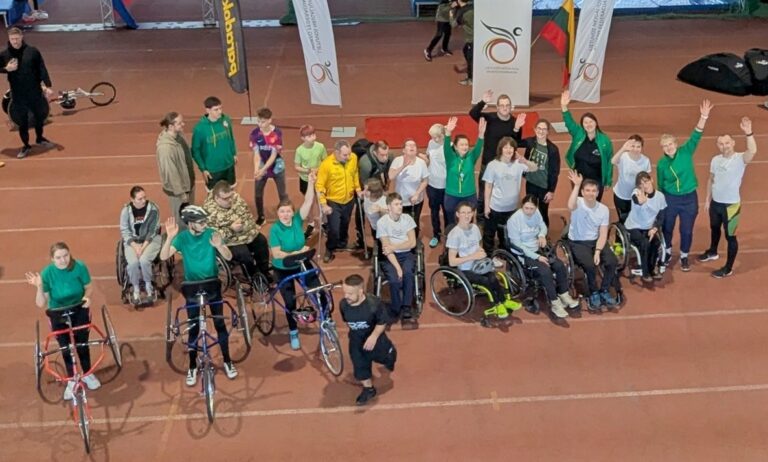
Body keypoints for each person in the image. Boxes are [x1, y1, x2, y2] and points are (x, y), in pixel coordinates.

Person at [160, 206, 237, 386]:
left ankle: (227, 361)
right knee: (194, 327)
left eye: (205, 221)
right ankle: (192, 366)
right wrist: (169, 237)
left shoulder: (212, 234)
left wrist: (219, 246)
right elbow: (164, 257)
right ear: (190, 224)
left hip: (212, 283)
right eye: (201, 222)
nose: (205, 224)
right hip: (191, 286)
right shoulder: (182, 238)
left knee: (219, 323)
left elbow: (228, 256)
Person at [25, 242, 101, 400]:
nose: (63, 260)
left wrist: (87, 297)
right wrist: (39, 287)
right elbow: (41, 303)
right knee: (66, 348)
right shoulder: (47, 274)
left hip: (79, 307)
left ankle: (87, 373)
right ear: (52, 259)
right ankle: (72, 379)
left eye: (66, 255)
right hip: (58, 312)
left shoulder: (79, 266)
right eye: (58, 257)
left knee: (82, 343)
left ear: (69, 254)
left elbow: (89, 287)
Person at [657, 99, 713, 272]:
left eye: (670, 144)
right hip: (670, 199)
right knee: (667, 228)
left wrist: (704, 117)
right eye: (665, 146)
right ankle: (666, 253)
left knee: (686, 230)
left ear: (676, 143)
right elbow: (660, 185)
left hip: (689, 198)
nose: (668, 148)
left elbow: (696, 134)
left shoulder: (686, 151)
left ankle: (683, 255)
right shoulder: (661, 164)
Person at [698, 116, 757, 278]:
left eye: (727, 143)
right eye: (721, 143)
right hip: (716, 204)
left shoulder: (740, 159)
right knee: (714, 228)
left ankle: (728, 268)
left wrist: (748, 133)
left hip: (731, 206)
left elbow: (752, 151)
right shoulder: (715, 160)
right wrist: (707, 199)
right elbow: (711, 179)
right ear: (718, 145)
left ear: (733, 143)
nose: (724, 146)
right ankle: (713, 251)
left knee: (730, 236)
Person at [269, 172, 322, 350]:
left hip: (301, 263)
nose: (285, 214)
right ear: (278, 213)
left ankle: (327, 319)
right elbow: (276, 254)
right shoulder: (274, 230)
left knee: (318, 290)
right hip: (283, 268)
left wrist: (311, 183)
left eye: (288, 211)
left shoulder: (298, 220)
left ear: (293, 213)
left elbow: (308, 201)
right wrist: (297, 252)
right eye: (282, 211)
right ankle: (293, 331)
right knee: (290, 302)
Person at [506, 196, 579, 318]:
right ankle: (554, 302)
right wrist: (536, 257)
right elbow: (517, 244)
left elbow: (543, 226)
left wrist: (541, 235)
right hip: (523, 253)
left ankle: (564, 294)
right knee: (545, 271)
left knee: (559, 265)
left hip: (538, 249)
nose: (529, 211)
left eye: (532, 209)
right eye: (526, 208)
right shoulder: (513, 220)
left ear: (536, 208)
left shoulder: (536, 213)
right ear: (522, 206)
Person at [446, 201, 519, 318]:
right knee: (486, 281)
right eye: (463, 213)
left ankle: (504, 301)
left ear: (473, 214)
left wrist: (480, 251)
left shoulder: (475, 228)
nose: (466, 216)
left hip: (479, 265)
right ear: (457, 214)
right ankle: (498, 304)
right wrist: (473, 256)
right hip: (465, 269)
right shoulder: (455, 235)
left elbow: (479, 244)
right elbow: (452, 261)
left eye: (469, 212)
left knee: (493, 277)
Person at [340, 274, 397, 406]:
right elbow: (346, 321)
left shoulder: (374, 304)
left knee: (385, 358)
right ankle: (369, 389)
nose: (346, 296)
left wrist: (373, 336)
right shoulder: (343, 304)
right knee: (360, 366)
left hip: (375, 339)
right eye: (345, 292)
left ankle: (390, 354)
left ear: (360, 292)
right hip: (356, 341)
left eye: (350, 293)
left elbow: (382, 322)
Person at [566, 171, 619, 310]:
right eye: (587, 190)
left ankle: (604, 289)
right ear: (582, 192)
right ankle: (593, 292)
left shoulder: (603, 210)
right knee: (589, 266)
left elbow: (603, 233)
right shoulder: (577, 202)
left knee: (612, 261)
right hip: (578, 242)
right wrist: (576, 185)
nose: (590, 193)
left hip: (596, 241)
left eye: (593, 191)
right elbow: (570, 206)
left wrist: (598, 251)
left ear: (597, 193)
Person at [470, 90, 525, 222]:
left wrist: (516, 129)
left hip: (505, 166)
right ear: (497, 107)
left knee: (503, 193)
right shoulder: (490, 118)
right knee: (483, 194)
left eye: (507, 105)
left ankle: (501, 219)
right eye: (502, 105)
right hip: (488, 164)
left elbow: (515, 143)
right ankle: (481, 219)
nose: (505, 108)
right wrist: (483, 101)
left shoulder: (515, 122)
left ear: (511, 107)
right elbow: (473, 114)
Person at [0, 27, 54, 159]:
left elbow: (42, 68)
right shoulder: (4, 55)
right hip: (18, 94)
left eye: (17, 38)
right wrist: (6, 69)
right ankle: (26, 145)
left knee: (39, 117)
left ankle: (40, 138)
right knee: (22, 122)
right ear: (9, 39)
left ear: (21, 37)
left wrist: (47, 86)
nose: (15, 41)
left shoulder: (32, 52)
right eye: (12, 39)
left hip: (35, 91)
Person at [203, 180, 271, 282]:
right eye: (225, 198)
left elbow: (248, 216)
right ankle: (253, 277)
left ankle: (264, 271)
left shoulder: (237, 198)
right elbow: (214, 236)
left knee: (261, 241)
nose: (230, 200)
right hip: (230, 242)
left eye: (230, 196)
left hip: (246, 234)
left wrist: (243, 225)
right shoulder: (208, 212)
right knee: (244, 254)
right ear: (216, 198)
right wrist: (231, 229)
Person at [481, 137, 537, 254]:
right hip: (495, 207)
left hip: (512, 208)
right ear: (500, 149)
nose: (508, 150)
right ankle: (489, 254)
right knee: (489, 233)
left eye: (511, 147)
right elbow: (488, 186)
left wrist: (524, 161)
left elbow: (534, 168)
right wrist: (486, 206)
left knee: (506, 233)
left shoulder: (518, 163)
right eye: (505, 147)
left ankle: (504, 253)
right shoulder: (493, 165)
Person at [560, 90, 613, 202]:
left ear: (596, 123)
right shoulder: (578, 133)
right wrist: (564, 106)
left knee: (595, 203)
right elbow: (569, 123)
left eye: (591, 122)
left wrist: (608, 181)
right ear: (582, 125)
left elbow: (609, 161)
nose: (589, 124)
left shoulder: (605, 140)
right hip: (579, 179)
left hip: (597, 179)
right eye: (585, 122)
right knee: (579, 203)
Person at [316, 140, 363, 263]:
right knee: (334, 228)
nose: (348, 157)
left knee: (345, 223)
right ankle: (330, 247)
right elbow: (320, 186)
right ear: (336, 152)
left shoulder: (353, 158)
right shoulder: (326, 165)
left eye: (349, 154)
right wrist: (323, 204)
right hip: (333, 201)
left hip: (349, 199)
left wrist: (358, 189)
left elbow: (355, 173)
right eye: (345, 155)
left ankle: (342, 243)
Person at [376, 193, 418, 321]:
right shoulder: (382, 222)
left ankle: (406, 306)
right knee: (394, 280)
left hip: (406, 254)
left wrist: (394, 246)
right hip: (390, 258)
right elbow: (386, 249)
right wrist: (398, 268)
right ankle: (395, 307)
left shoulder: (408, 219)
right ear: (389, 207)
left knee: (408, 274)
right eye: (396, 204)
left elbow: (412, 243)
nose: (400, 206)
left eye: (400, 204)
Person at [119, 186, 162, 303]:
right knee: (133, 263)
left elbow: (153, 230)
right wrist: (134, 245)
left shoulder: (153, 209)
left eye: (144, 197)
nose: (143, 201)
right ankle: (136, 288)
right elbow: (125, 231)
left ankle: (148, 285)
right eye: (140, 199)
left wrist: (142, 247)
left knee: (144, 260)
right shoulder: (126, 211)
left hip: (151, 240)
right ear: (132, 200)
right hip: (133, 241)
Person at [624, 172, 667, 283]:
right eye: (641, 184)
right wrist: (640, 201)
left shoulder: (660, 197)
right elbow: (635, 199)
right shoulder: (637, 192)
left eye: (646, 182)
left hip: (648, 228)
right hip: (633, 227)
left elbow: (661, 216)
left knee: (656, 243)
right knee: (645, 243)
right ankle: (645, 272)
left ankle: (652, 269)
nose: (645, 185)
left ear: (651, 180)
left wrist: (654, 228)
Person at [443, 116, 486, 227]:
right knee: (452, 223)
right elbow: (446, 146)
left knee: (468, 222)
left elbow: (478, 147)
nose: (465, 147)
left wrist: (481, 134)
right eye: (461, 144)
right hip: (452, 195)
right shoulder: (450, 158)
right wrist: (448, 133)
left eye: (466, 144)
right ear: (455, 147)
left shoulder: (471, 157)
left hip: (469, 195)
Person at [250, 106, 289, 226]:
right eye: (258, 121)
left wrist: (263, 169)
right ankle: (261, 216)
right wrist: (257, 170)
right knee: (257, 193)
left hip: (276, 165)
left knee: (282, 194)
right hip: (262, 163)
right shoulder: (255, 134)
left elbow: (273, 155)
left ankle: (286, 216)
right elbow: (256, 154)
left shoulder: (277, 133)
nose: (260, 124)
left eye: (263, 122)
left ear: (269, 120)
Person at [156, 111, 195, 229]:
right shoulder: (166, 149)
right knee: (181, 220)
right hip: (179, 191)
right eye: (179, 123)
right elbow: (171, 173)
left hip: (188, 184)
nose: (183, 124)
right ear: (170, 126)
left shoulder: (179, 136)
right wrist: (181, 193)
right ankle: (180, 238)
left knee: (190, 216)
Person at [191, 96, 237, 191]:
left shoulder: (226, 120)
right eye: (216, 109)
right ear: (208, 110)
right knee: (213, 195)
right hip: (212, 169)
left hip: (228, 165)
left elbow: (231, 137)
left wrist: (234, 153)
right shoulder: (200, 129)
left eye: (220, 108)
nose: (220, 111)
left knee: (230, 192)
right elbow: (195, 151)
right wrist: (203, 168)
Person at [521, 119, 560, 227]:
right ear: (535, 129)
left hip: (544, 186)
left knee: (543, 212)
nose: (541, 131)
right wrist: (517, 128)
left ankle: (544, 233)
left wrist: (551, 190)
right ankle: (529, 229)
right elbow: (516, 141)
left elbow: (555, 171)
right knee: (529, 208)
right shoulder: (530, 142)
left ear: (548, 131)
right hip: (531, 183)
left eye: (544, 129)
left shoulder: (552, 149)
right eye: (539, 128)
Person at [389, 139, 429, 237]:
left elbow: (425, 181)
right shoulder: (397, 160)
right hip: (400, 201)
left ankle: (414, 241)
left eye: (414, 145)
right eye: (409, 145)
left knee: (414, 223)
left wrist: (417, 194)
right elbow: (391, 176)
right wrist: (403, 166)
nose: (412, 147)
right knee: (400, 222)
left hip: (415, 200)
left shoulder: (421, 163)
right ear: (403, 150)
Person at [294, 124, 327, 237]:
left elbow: (325, 162)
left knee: (321, 201)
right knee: (309, 202)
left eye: (313, 134)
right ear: (303, 138)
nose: (312, 137)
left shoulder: (320, 147)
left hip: (319, 179)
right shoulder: (299, 150)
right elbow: (297, 167)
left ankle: (324, 223)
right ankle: (311, 224)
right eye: (309, 136)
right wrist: (308, 171)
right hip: (305, 180)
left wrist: (318, 170)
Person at [611, 135, 652, 223]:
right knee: (623, 221)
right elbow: (613, 161)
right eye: (632, 146)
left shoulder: (645, 160)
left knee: (636, 221)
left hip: (636, 197)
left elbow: (646, 179)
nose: (635, 149)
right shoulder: (623, 156)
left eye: (638, 146)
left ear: (642, 147)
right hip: (621, 196)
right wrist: (623, 148)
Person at [451, 0, 474, 85]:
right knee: (465, 51)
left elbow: (453, 24)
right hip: (475, 37)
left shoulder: (464, 13)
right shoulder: (471, 7)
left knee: (470, 57)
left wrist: (451, 13)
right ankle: (471, 74)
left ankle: (471, 79)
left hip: (471, 38)